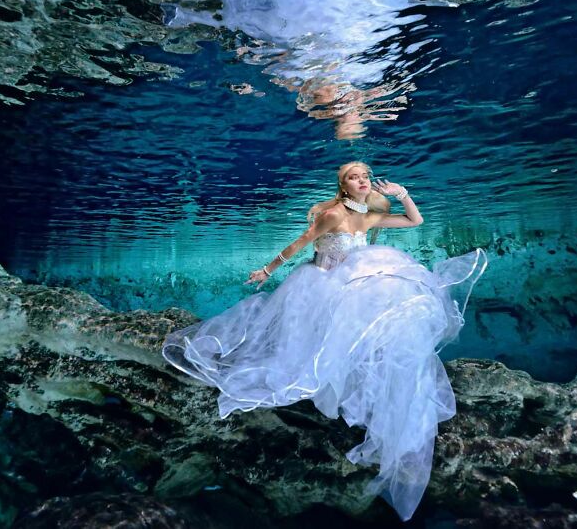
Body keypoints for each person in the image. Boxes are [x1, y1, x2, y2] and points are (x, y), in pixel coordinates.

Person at [161, 161, 488, 521]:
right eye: (354, 178)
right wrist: (267, 271)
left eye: (365, 176)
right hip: (318, 283)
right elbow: (301, 243)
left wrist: (403, 194)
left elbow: (415, 223)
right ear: (343, 186)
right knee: (307, 351)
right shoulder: (333, 214)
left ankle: (363, 388)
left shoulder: (367, 214)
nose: (362, 181)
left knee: (384, 313)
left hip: (348, 288)